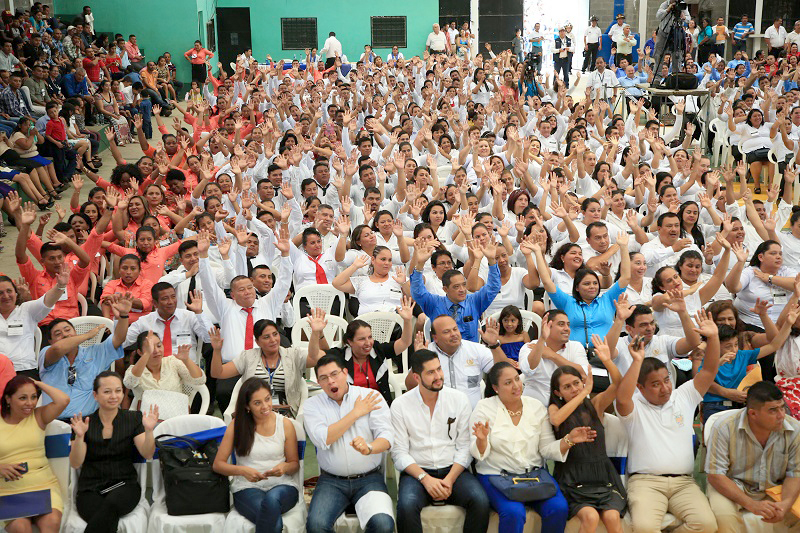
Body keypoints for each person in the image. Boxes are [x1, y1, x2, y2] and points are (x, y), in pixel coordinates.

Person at [615, 310, 721, 533]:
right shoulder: (632, 405)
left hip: (684, 483)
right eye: (655, 384)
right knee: (643, 528)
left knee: (706, 525)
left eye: (666, 380)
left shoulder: (683, 396)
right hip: (646, 483)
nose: (665, 388)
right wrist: (637, 361)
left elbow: (710, 370)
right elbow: (622, 397)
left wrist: (713, 338)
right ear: (640, 387)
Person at [470, 362, 595, 533]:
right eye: (508, 383)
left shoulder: (535, 406)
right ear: (495, 388)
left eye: (517, 379)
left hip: (534, 476)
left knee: (558, 508)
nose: (516, 386)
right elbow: (478, 453)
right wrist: (482, 440)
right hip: (496, 475)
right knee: (513, 512)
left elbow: (546, 449)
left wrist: (569, 440)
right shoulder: (484, 408)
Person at [391, 349, 490, 533]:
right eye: (430, 372)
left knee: (480, 501)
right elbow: (399, 453)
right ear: (417, 378)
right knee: (406, 506)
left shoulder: (458, 399)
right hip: (418, 472)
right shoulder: (400, 405)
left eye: (439, 369)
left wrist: (450, 479)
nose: (438, 376)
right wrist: (425, 479)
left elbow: (464, 447)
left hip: (453, 469)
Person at [303, 355, 395, 533]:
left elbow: (387, 437)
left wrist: (369, 448)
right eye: (323, 378)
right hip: (331, 480)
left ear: (345, 373)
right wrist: (356, 413)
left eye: (334, 374)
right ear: (318, 382)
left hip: (369, 479)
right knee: (316, 525)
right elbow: (323, 439)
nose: (330, 381)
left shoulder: (370, 396)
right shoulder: (312, 405)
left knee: (383, 524)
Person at [548, 336, 627, 533]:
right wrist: (584, 392)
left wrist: (607, 360)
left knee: (612, 516)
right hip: (574, 478)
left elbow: (618, 384)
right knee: (590, 517)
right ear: (558, 393)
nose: (574, 389)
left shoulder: (595, 405)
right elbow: (556, 420)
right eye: (568, 387)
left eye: (577, 383)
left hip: (602, 475)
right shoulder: (555, 408)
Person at [706, 381, 800, 533]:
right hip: (732, 486)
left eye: (782, 407)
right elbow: (715, 475)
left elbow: (795, 474)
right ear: (753, 414)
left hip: (775, 488)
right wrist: (751, 504)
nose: (781, 415)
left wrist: (786, 504)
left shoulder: (794, 429)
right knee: (723, 517)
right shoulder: (724, 427)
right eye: (773, 410)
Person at [213, 377, 301, 533]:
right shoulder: (237, 425)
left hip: (283, 485)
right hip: (247, 487)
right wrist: (242, 471)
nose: (266, 406)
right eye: (257, 403)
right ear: (247, 406)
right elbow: (218, 464)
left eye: (268, 399)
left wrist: (284, 467)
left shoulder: (285, 424)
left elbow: (294, 464)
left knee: (271, 501)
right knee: (271, 517)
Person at [210, 311, 327, 416]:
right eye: (266, 337)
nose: (273, 340)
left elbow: (315, 358)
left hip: (284, 411)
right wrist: (216, 350)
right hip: (254, 411)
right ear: (257, 341)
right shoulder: (248, 357)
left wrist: (316, 333)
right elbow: (218, 373)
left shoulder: (292, 354)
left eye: (275, 334)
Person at [39, 293, 133, 419]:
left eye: (68, 330)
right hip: (54, 423)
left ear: (75, 332)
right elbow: (59, 348)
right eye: (58, 333)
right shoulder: (47, 354)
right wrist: (88, 335)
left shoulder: (94, 352)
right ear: (50, 341)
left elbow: (118, 339)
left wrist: (123, 316)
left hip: (89, 422)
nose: (65, 335)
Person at [0, 376, 70, 533]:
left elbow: (63, 400)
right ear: (8, 399)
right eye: (23, 398)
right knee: (21, 528)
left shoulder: (38, 416)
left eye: (33, 397)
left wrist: (37, 383)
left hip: (43, 486)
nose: (30, 403)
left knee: (51, 523)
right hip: (8, 490)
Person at [325, 298, 414, 405]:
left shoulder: (377, 350)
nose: (368, 343)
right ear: (350, 341)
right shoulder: (340, 356)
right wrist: (318, 333)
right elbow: (320, 355)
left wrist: (407, 321)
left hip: (380, 409)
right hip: (351, 411)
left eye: (370, 337)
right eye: (362, 339)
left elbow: (405, 342)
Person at [411, 238, 500, 343]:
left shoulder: (474, 301)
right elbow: (417, 292)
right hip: (443, 354)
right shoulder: (435, 303)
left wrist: (491, 261)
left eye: (463, 285)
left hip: (469, 355)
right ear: (445, 289)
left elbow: (493, 287)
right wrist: (420, 264)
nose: (462, 290)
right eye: (456, 287)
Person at [0, 269, 70, 377]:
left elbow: (47, 300)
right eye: (0, 293)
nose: (5, 296)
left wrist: (60, 286)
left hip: (24, 370)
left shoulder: (27, 310)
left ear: (16, 293)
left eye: (9, 291)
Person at [123, 331, 206, 402]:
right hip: (149, 418)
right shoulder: (136, 370)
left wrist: (186, 360)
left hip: (176, 416)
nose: (156, 351)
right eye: (150, 347)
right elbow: (129, 383)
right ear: (140, 352)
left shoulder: (172, 362)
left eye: (159, 346)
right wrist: (147, 354)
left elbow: (200, 380)